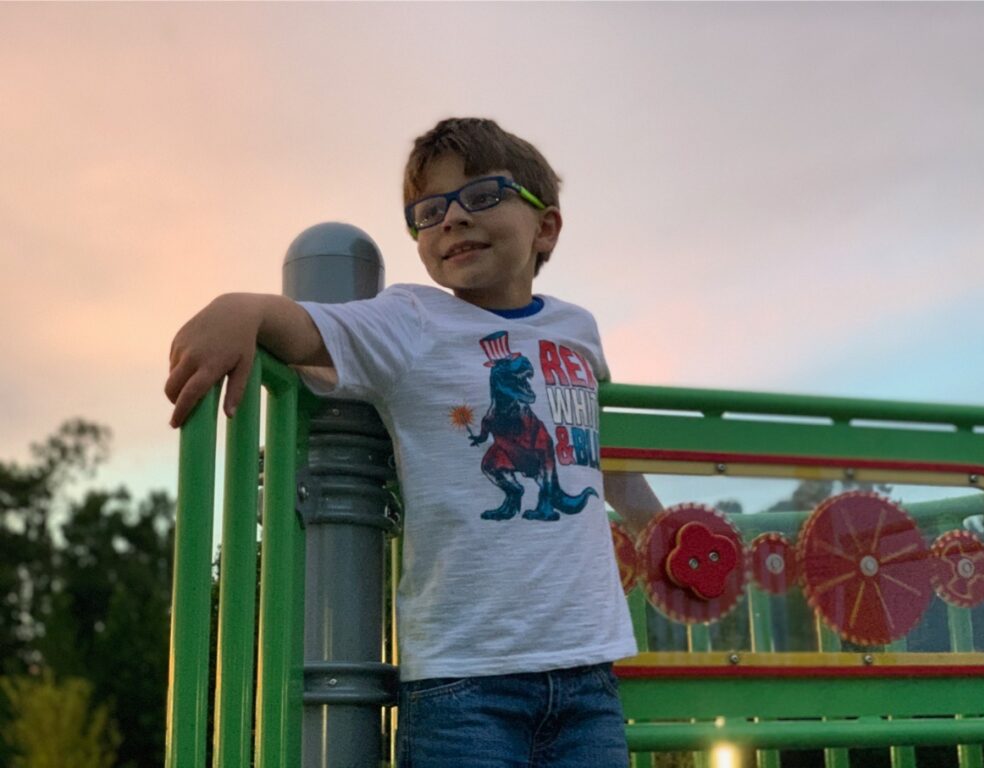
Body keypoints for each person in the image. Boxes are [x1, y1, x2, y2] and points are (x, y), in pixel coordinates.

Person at [165, 117, 657, 767]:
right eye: (429, 211)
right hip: (464, 682)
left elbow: (592, 446)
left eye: (481, 195)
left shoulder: (578, 329)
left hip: (588, 671)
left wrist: (659, 530)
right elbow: (309, 327)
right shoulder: (412, 320)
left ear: (546, 227)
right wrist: (243, 309)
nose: (452, 218)